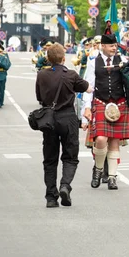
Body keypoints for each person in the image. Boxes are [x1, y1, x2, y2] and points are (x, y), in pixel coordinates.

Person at [82, 33, 129, 190]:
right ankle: (98, 169)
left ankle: (113, 176)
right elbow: (89, 86)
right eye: (111, 46)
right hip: (100, 102)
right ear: (103, 46)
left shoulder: (123, 61)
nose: (114, 48)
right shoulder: (94, 62)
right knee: (101, 139)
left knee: (114, 141)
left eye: (115, 45)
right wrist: (87, 107)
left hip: (119, 103)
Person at [36, 43, 91, 208]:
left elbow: (39, 97)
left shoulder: (41, 75)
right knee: (70, 156)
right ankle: (65, 185)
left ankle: (51, 197)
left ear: (48, 59)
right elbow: (87, 88)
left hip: (49, 120)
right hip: (68, 118)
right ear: (63, 58)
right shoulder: (71, 75)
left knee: (50, 159)